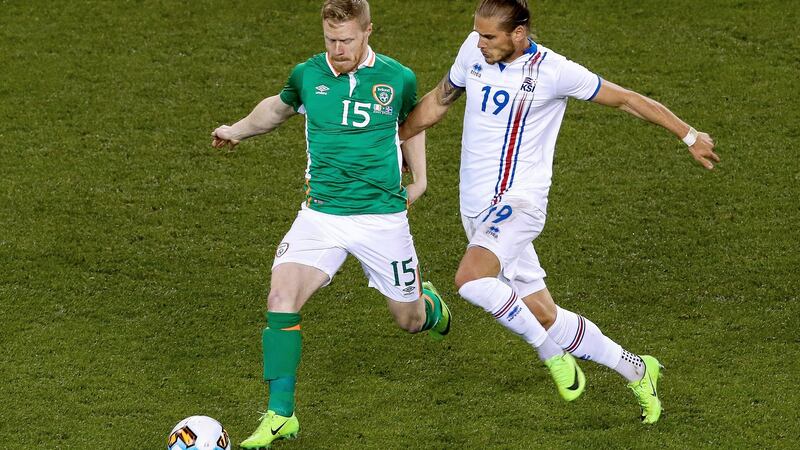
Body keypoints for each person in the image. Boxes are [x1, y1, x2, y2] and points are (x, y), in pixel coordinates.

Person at [400, 0, 719, 425]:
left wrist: (688, 134)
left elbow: (625, 100)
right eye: (477, 33)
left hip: (518, 205)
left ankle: (551, 355)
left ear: (519, 33)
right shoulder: (473, 53)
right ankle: (639, 369)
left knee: (470, 280)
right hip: (477, 212)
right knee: (542, 313)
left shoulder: (553, 71)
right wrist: (395, 138)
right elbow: (440, 100)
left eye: (490, 36)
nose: (480, 43)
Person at [211, 0, 451, 446]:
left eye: (346, 40)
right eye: (330, 40)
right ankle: (281, 415)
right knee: (281, 296)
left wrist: (419, 180)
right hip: (320, 214)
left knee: (409, 320)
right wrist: (236, 130)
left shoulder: (397, 78)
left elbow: (412, 124)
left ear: (367, 32)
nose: (338, 49)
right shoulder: (308, 75)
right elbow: (276, 110)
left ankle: (429, 305)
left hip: (381, 219)